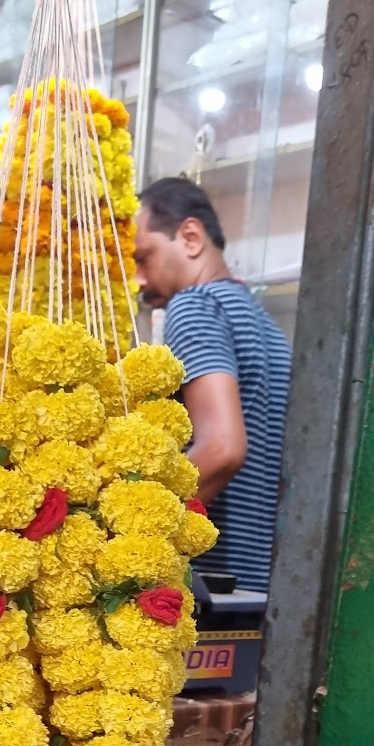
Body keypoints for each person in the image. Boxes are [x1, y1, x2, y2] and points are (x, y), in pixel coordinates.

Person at [134, 177, 292, 593]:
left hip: (216, 583)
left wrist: (134, 526)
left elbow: (222, 448)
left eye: (144, 257)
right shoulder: (262, 323)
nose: (139, 279)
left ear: (190, 237)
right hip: (260, 580)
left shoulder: (194, 307)